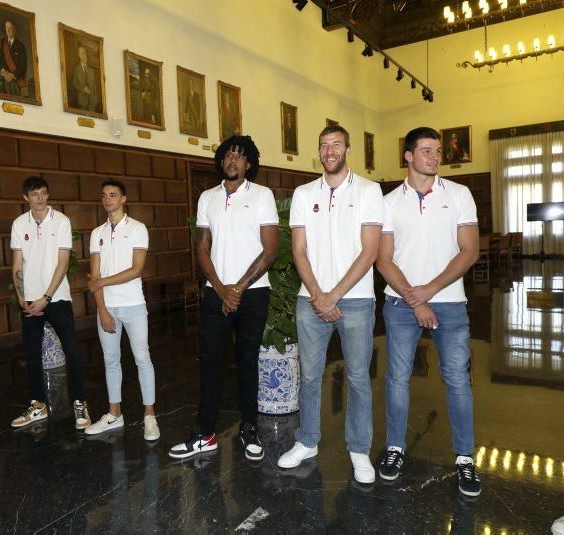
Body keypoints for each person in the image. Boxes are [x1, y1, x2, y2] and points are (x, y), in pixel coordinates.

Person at [376, 127, 481, 496]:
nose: (435, 157)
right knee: (397, 378)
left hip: (451, 303)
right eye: (426, 151)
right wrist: (415, 300)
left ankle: (465, 458)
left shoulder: (460, 195)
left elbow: (469, 252)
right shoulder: (388, 202)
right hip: (400, 303)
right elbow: (383, 258)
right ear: (407, 156)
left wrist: (429, 293)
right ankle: (394, 449)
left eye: (438, 151)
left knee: (456, 378)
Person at [277, 126, 382, 484]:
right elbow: (298, 250)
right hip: (310, 301)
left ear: (348, 150)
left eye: (336, 144)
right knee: (308, 376)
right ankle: (306, 441)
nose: (330, 150)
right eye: (324, 145)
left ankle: (358, 449)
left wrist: (333, 295)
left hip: (355, 301)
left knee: (357, 378)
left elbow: (369, 252)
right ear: (318, 152)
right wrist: (318, 295)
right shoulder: (304, 193)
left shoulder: (369, 191)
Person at [169, 135, 278, 461]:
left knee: (247, 362)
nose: (233, 161)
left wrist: (238, 289)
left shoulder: (262, 195)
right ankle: (205, 433)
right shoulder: (207, 197)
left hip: (254, 293)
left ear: (249, 164)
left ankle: (249, 428)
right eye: (228, 155)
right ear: (221, 161)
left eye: (240, 156)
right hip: (216, 294)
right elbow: (202, 246)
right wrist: (219, 288)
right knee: (210, 362)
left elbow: (270, 250)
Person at [9, 176, 90, 430]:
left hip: (57, 298)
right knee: (32, 355)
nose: (41, 198)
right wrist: (22, 296)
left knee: (72, 353)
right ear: (26, 198)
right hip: (30, 300)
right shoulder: (19, 223)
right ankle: (38, 405)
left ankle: (80, 403)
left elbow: (63, 263)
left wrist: (46, 298)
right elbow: (17, 264)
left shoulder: (62, 221)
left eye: (44, 193)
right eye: (35, 194)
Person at [84, 179, 159, 441]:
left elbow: (136, 269)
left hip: (134, 305)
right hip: (107, 306)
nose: (107, 199)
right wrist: (102, 310)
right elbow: (93, 274)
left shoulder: (138, 229)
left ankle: (149, 415)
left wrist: (101, 282)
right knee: (110, 360)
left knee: (142, 358)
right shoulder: (97, 233)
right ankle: (114, 413)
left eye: (113, 195)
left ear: (123, 199)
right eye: (103, 195)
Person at [0, 20, 27, 97]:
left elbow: (23, 65)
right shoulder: (3, 42)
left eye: (10, 28)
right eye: (6, 28)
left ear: (14, 30)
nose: (8, 30)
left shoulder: (21, 46)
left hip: (16, 80)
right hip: (5, 78)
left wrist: (12, 75)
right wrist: (3, 71)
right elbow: (0, 59)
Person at [72, 45, 98, 112]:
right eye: (82, 53)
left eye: (85, 53)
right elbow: (74, 83)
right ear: (79, 55)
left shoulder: (91, 70)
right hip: (82, 102)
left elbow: (94, 86)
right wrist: (83, 89)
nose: (84, 55)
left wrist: (95, 100)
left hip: (92, 103)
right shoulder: (76, 69)